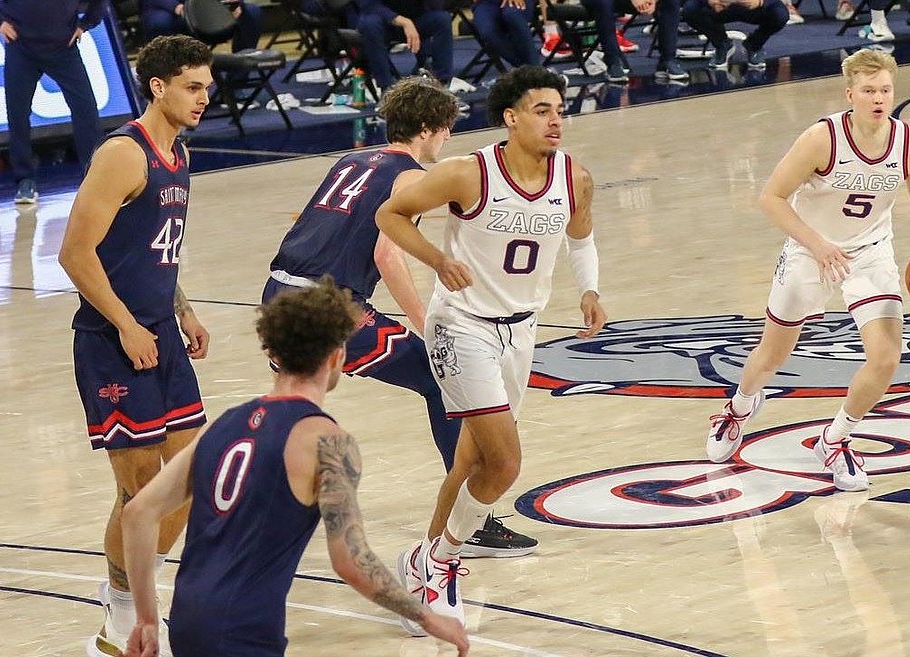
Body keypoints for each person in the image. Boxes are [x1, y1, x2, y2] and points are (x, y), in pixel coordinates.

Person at [263, 76, 539, 558]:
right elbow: (389, 256)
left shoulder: (350, 160)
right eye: (448, 129)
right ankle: (471, 522)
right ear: (430, 129)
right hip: (330, 306)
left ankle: (254, 503)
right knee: (440, 377)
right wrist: (429, 327)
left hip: (279, 291)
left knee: (295, 405)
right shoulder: (410, 176)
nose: (449, 138)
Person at [119, 279, 470, 657]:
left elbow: (138, 512)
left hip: (188, 622)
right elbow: (351, 561)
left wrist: (146, 619)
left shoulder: (224, 425)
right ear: (338, 355)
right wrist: (428, 617)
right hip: (246, 629)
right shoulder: (327, 442)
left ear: (275, 353)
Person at [376, 65, 608, 633]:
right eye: (542, 110)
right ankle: (442, 558)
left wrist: (590, 290)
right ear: (510, 117)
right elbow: (391, 213)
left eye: (560, 109)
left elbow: (582, 236)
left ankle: (424, 560)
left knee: (470, 461)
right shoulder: (468, 172)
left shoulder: (573, 177)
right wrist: (436, 259)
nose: (556, 120)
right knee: (504, 463)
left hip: (520, 329)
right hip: (462, 325)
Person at [704, 49, 910, 491]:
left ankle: (837, 438)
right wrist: (818, 244)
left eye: (885, 90)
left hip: (870, 253)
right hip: (811, 252)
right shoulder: (822, 139)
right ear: (851, 94)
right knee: (772, 356)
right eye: (869, 91)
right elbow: (771, 198)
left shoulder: (908, 142)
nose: (878, 98)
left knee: (886, 357)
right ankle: (739, 408)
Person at [57, 34, 214, 657]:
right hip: (110, 340)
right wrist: (125, 323)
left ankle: (130, 591)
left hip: (162, 336)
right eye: (193, 86)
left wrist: (184, 310)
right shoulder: (126, 153)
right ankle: (124, 609)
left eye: (207, 86)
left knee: (186, 480)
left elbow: (154, 249)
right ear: (158, 86)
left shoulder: (180, 155)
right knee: (140, 487)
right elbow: (74, 253)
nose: (205, 97)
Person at [0, 0, 107, 204]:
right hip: (21, 48)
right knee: (17, 114)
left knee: (86, 109)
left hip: (64, 47)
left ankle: (94, 176)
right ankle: (25, 181)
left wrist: (87, 23)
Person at [681, 0, 788, 71]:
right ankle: (722, 44)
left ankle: (754, 45)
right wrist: (709, 1)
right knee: (690, 9)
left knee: (780, 14)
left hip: (752, 6)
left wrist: (761, 2)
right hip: (721, 5)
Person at [140, 0, 265, 53]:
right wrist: (176, 7)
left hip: (210, 11)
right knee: (160, 22)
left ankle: (239, 82)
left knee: (252, 12)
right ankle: (168, 82)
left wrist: (235, 4)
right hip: (173, 12)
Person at [469, 0, 540, 69]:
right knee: (488, 31)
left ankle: (534, 69)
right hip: (486, 3)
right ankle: (526, 68)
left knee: (512, 15)